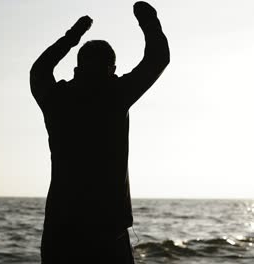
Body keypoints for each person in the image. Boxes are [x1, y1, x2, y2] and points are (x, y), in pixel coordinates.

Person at [30, 1, 169, 263]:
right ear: (112, 70)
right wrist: (147, 19)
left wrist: (72, 36)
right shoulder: (116, 94)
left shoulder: (55, 98)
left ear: (77, 67)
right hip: (107, 231)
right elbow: (158, 57)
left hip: (60, 228)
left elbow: (39, 70)